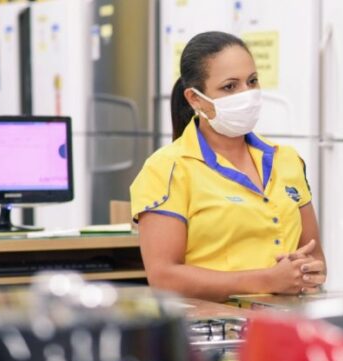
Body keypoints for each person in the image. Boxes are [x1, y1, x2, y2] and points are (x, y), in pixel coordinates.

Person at [130, 31, 325, 301]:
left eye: (252, 81)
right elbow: (164, 277)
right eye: (230, 87)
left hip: (285, 321)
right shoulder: (167, 168)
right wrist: (266, 280)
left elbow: (313, 255)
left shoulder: (287, 159)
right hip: (213, 329)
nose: (247, 94)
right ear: (195, 99)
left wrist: (308, 271)